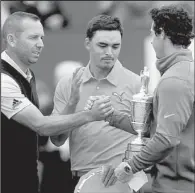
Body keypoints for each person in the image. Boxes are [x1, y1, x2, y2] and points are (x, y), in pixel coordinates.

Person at [1, 11, 114, 193]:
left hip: (24, 180)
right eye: (33, 38)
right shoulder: (4, 80)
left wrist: (71, 103)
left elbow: (56, 137)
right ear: (12, 40)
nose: (40, 44)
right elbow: (41, 125)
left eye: (42, 37)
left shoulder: (26, 76)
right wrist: (89, 115)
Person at [102, 4, 195, 193]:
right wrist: (110, 115)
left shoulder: (175, 80)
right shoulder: (180, 74)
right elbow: (153, 127)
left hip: (175, 187)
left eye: (153, 34)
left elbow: (166, 139)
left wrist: (130, 166)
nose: (151, 41)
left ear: (162, 34)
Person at [50, 14, 141, 192]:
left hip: (123, 181)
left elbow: (150, 137)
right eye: (102, 45)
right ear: (87, 44)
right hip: (80, 180)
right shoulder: (68, 83)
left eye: (116, 46)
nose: (109, 53)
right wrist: (72, 103)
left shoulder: (136, 84)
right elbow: (57, 139)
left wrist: (128, 169)